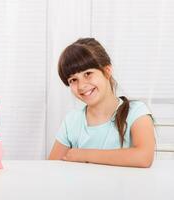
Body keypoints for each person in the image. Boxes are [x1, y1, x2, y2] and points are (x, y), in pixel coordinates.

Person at [48, 38, 155, 168]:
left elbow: (143, 157)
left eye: (88, 74)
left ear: (107, 71)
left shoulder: (136, 112)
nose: (81, 86)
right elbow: (51, 168)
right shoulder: (72, 121)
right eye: (73, 80)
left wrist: (83, 155)